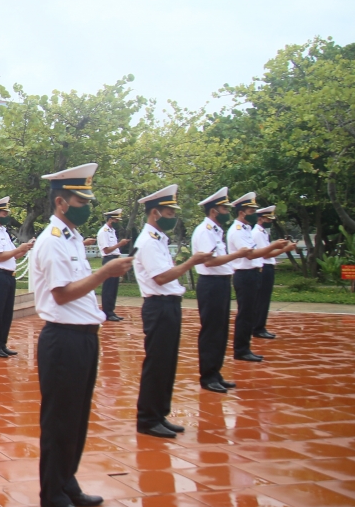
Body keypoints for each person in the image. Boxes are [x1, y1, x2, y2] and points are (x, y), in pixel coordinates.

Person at [29, 163, 132, 507]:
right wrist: (105, 272)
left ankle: (67, 482)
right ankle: (52, 497)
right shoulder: (52, 241)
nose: (87, 205)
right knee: (59, 420)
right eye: (80, 199)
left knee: (77, 417)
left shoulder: (71, 238)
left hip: (85, 337)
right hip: (63, 340)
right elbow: (61, 295)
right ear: (61, 202)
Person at [132, 185, 213, 439]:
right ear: (155, 213)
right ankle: (147, 418)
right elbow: (161, 277)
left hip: (169, 305)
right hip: (159, 306)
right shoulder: (148, 242)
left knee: (167, 363)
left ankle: (159, 414)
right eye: (169, 212)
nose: (172, 217)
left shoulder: (158, 240)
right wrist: (191, 262)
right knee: (157, 363)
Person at [191, 187, 251, 393]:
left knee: (221, 330)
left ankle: (215, 372)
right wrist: (238, 254)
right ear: (214, 211)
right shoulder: (205, 231)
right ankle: (208, 376)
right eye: (224, 208)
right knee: (212, 331)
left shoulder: (216, 230)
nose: (228, 211)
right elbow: (209, 262)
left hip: (221, 282)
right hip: (211, 284)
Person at [227, 193, 293, 364]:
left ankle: (245, 348)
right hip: (244, 274)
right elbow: (250, 255)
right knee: (245, 313)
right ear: (242, 212)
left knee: (249, 313)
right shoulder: (238, 230)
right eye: (251, 210)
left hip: (252, 273)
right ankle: (241, 349)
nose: (254, 214)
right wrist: (276, 246)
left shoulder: (246, 230)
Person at [0, 196, 33, 358]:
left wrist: (24, 249)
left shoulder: (3, 232)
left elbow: (13, 256)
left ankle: (2, 343)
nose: (7, 216)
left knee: (6, 312)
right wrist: (20, 248)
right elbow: (0, 256)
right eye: (5, 213)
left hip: (9, 276)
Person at [252, 205, 290, 340]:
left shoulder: (263, 232)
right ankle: (258, 327)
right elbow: (266, 254)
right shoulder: (257, 233)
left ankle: (260, 326)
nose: (270, 222)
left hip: (267, 267)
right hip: (263, 267)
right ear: (261, 219)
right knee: (262, 299)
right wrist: (285, 249)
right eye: (268, 219)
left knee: (264, 299)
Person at [96, 208, 130, 322]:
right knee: (109, 288)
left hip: (114, 259)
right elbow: (106, 250)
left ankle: (111, 311)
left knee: (114, 287)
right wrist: (120, 244)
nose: (117, 223)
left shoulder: (111, 231)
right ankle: (107, 312)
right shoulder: (103, 232)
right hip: (109, 259)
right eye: (116, 220)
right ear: (110, 220)